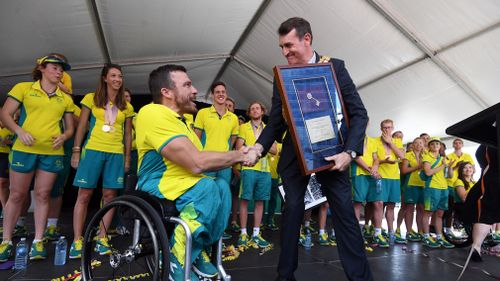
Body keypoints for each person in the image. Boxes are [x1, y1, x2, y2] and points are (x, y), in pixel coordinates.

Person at [246, 17, 372, 281]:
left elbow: (359, 114)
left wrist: (349, 153)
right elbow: (276, 122)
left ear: (307, 39)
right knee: (292, 212)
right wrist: (258, 148)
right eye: (281, 47)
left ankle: (360, 278)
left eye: (289, 45)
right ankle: (285, 276)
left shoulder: (335, 67)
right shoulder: (280, 76)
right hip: (295, 155)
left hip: (333, 155)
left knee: (345, 215)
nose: (285, 52)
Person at [136, 64, 248, 280]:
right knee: (206, 186)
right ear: (166, 92)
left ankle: (196, 249)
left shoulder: (185, 123)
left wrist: (244, 154)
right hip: (157, 183)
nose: (195, 90)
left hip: (185, 183)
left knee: (222, 188)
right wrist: (240, 155)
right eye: (187, 84)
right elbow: (196, 163)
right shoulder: (152, 112)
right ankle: (176, 258)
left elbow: (202, 160)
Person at [0, 55, 74, 261]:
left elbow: (70, 128)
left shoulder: (65, 98)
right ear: (41, 69)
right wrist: (19, 130)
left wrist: (64, 136)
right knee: (16, 195)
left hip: (51, 153)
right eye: (54, 68)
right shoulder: (23, 88)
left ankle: (38, 241)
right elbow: (5, 114)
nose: (59, 72)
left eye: (61, 69)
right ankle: (5, 241)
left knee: (43, 195)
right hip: (24, 150)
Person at [69, 64, 134, 259]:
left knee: (110, 195)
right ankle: (77, 239)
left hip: (115, 153)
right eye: (113, 75)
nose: (117, 79)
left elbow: (128, 135)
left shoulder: (126, 105)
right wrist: (76, 150)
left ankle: (102, 237)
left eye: (120, 76)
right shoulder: (91, 98)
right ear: (104, 78)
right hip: (93, 151)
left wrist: (128, 157)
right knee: (84, 195)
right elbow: (82, 126)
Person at [235, 101, 275, 250]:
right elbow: (239, 147)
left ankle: (256, 234)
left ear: (262, 112)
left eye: (257, 108)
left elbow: (275, 150)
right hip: (248, 168)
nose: (255, 110)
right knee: (245, 200)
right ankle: (244, 233)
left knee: (260, 202)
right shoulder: (243, 127)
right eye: (252, 109)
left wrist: (263, 142)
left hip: (264, 171)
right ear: (249, 113)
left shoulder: (268, 129)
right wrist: (253, 148)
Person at [371, 119, 405, 246]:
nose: (387, 129)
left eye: (389, 127)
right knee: (378, 204)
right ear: (381, 128)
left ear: (392, 128)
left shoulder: (397, 141)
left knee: (391, 205)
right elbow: (374, 159)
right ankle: (377, 233)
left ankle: (391, 233)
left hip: (394, 178)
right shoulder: (375, 141)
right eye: (384, 127)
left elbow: (402, 157)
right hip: (380, 176)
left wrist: (391, 143)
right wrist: (383, 162)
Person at [421, 137, 454, 249]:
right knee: (428, 213)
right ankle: (426, 236)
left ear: (440, 146)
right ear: (429, 146)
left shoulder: (444, 158)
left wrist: (449, 167)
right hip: (432, 187)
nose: (435, 145)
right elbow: (428, 172)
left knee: (440, 214)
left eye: (437, 144)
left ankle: (439, 236)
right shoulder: (427, 157)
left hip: (444, 188)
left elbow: (450, 176)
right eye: (433, 144)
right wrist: (443, 165)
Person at [400, 137, 426, 241]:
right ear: (413, 144)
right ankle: (409, 231)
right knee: (410, 209)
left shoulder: (426, 156)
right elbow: (404, 170)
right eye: (416, 143)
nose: (418, 144)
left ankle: (420, 231)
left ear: (424, 144)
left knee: (421, 209)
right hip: (411, 184)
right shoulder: (407, 155)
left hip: (423, 185)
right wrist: (418, 166)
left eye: (421, 143)